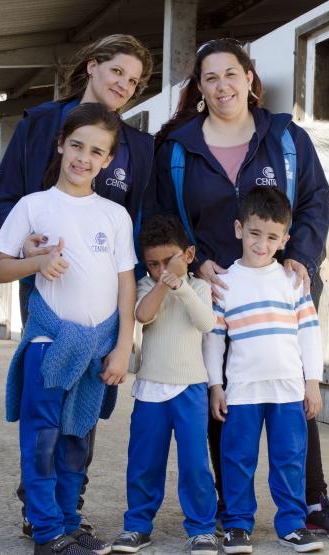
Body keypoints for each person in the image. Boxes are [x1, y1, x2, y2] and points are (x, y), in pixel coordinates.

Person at [146, 38, 329, 540]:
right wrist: (194, 265)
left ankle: (311, 500)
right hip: (212, 287)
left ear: (249, 77)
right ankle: (231, 504)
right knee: (223, 392)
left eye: (230, 74)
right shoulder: (178, 149)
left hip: (281, 284)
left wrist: (301, 258)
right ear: (199, 88)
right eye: (210, 78)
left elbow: (313, 203)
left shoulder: (286, 138)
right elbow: (161, 217)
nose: (222, 86)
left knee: (292, 385)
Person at [0, 34, 153, 546]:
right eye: (116, 72)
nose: (123, 84)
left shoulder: (137, 152)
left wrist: (125, 337)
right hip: (46, 295)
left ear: (108, 157)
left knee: (79, 427)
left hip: (102, 316)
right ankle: (41, 518)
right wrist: (28, 253)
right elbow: (8, 199)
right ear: (92, 67)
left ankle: (67, 512)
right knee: (43, 424)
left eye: (133, 80)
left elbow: (135, 239)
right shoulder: (41, 125)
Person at [204, 186, 324, 553]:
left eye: (273, 237)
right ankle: (238, 524)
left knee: (290, 458)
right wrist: (215, 385)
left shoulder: (293, 281)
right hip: (242, 390)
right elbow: (214, 339)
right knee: (237, 458)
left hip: (288, 389)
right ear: (239, 229)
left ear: (285, 239)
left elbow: (309, 332)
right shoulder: (224, 283)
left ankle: (292, 522)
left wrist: (313, 383)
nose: (262, 243)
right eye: (255, 233)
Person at [111, 214, 219, 555]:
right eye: (152, 264)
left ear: (188, 255)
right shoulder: (146, 285)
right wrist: (162, 283)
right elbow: (143, 316)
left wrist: (182, 285)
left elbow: (205, 322)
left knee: (194, 463)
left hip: (190, 389)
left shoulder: (199, 287)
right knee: (144, 460)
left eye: (167, 262)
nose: (160, 270)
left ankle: (201, 528)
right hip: (151, 389)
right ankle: (137, 525)